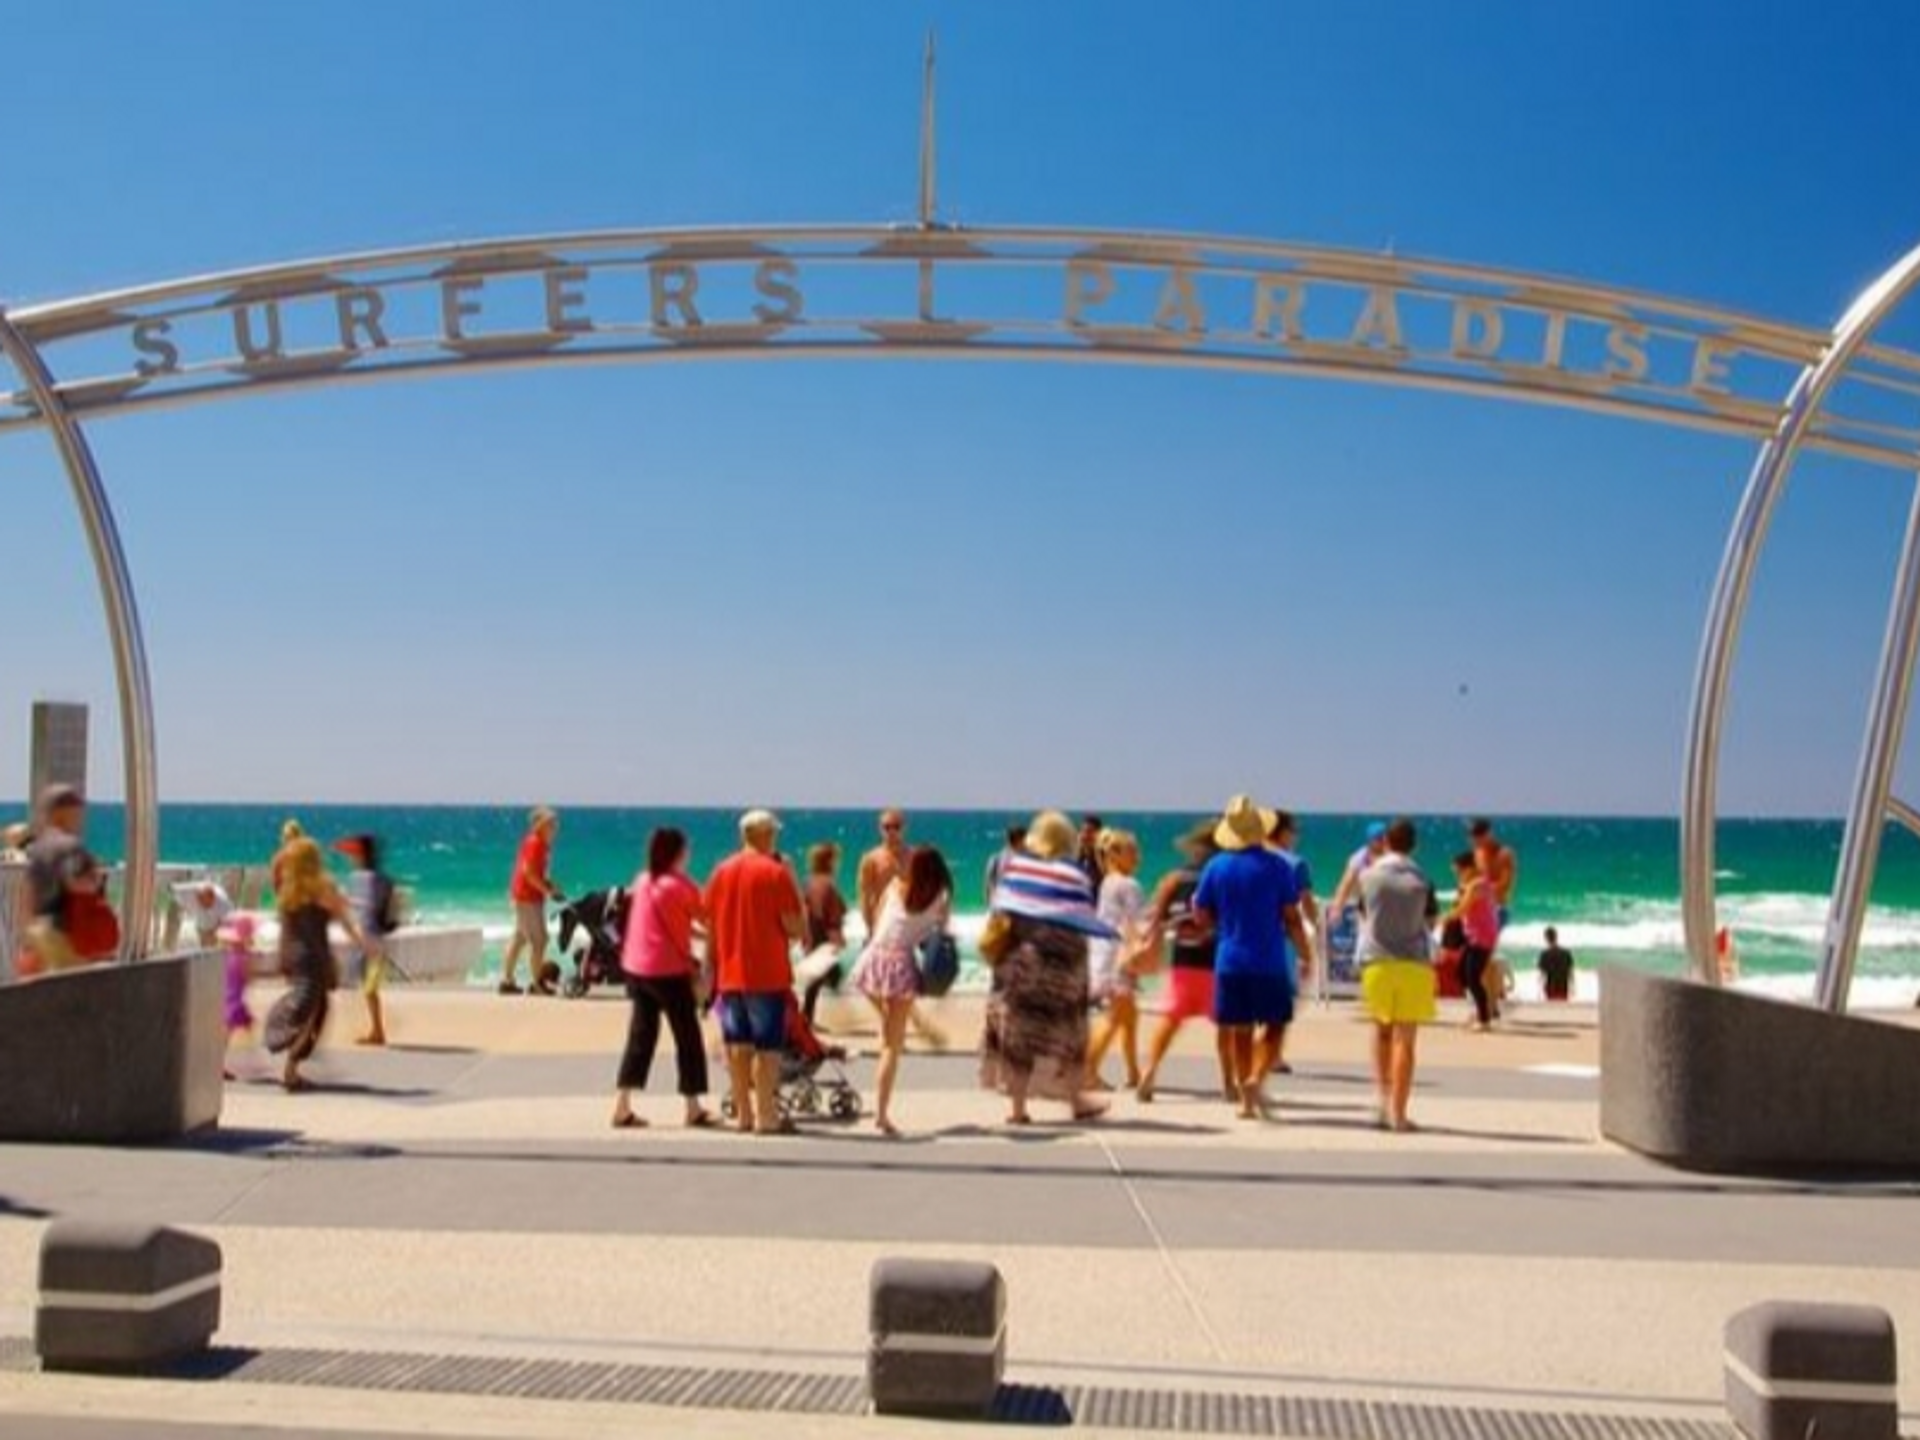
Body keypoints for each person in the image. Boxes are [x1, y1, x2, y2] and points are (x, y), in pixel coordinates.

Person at [979, 810, 1113, 1126]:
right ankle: (1077, 1100)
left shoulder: (1017, 870)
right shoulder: (1075, 875)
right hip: (1063, 966)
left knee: (1019, 1037)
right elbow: (1083, 915)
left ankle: (1018, 1109)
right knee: (1072, 1034)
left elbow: (1001, 911)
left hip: (1022, 962)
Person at [1194, 796, 1313, 1120]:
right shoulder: (1278, 866)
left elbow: (1201, 913)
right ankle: (1254, 1080)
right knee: (1276, 1026)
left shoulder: (1216, 866)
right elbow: (1291, 917)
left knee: (1240, 1030)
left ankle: (1246, 1101)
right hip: (1269, 960)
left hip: (1229, 959)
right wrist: (1305, 951)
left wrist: (1220, 922)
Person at [705, 808, 806, 1136]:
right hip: (766, 971)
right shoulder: (774, 872)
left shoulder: (721, 871)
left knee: (738, 1044)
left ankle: (744, 1114)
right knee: (768, 1047)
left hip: (730, 972)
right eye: (773, 833)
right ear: (765, 835)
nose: (775, 837)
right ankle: (766, 1115)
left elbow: (708, 919)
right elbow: (793, 925)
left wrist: (710, 965)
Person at [611, 826, 716, 1131]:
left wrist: (695, 932)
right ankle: (693, 1107)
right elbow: (704, 917)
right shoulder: (681, 885)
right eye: (686, 849)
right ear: (678, 853)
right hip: (668, 971)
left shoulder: (642, 881)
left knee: (641, 1038)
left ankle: (622, 1104)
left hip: (636, 968)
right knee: (688, 1038)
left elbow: (668, 922)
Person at [852, 845, 954, 1136]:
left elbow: (876, 920)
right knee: (891, 1048)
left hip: (872, 959)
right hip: (900, 967)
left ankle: (895, 1025)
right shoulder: (940, 897)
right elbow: (940, 935)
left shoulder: (895, 885)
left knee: (886, 1035)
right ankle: (881, 1116)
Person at [1136, 821, 1234, 1104]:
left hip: (1183, 962)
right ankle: (1229, 1083)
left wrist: (1154, 941)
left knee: (1171, 1021)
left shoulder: (1174, 879)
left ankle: (1149, 1073)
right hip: (1216, 962)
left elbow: (1155, 917)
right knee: (1226, 1026)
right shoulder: (1221, 876)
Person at [1356, 818, 1440, 1133]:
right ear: (1414, 845)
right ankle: (1399, 1114)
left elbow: (1364, 913)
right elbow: (1431, 921)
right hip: (1413, 963)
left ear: (1386, 842)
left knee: (1381, 1032)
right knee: (1406, 1039)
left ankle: (1381, 1099)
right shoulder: (1423, 879)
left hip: (1377, 962)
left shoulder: (1368, 876)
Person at [263, 836, 365, 1092]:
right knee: (311, 1011)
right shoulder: (323, 888)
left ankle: (291, 1070)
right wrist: (362, 943)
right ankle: (288, 1046)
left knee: (313, 1006)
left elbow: (287, 926)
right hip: (314, 957)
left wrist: (282, 959)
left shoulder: (288, 889)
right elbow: (344, 919)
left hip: (293, 955)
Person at [19, 784, 115, 975]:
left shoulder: (37, 847)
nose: (80, 819)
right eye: (77, 813)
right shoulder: (71, 846)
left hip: (40, 930)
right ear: (64, 813)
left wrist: (26, 931)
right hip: (65, 933)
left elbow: (27, 892)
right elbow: (76, 883)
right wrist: (95, 879)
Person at [1084, 828, 1150, 1090]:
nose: (1138, 857)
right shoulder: (1129, 884)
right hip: (1119, 960)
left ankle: (1134, 1072)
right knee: (1115, 1017)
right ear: (1114, 854)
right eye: (1132, 851)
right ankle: (1088, 1070)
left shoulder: (1107, 883)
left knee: (1129, 1016)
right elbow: (1136, 924)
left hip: (1102, 957)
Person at [1266, 810, 1320, 1073]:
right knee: (1282, 998)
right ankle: (1272, 1055)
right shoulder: (1295, 863)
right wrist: (1316, 925)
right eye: (1294, 831)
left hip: (1248, 935)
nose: (1296, 837)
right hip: (1283, 937)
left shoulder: (1249, 858)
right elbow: (1306, 904)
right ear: (1283, 832)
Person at [337, 834, 400, 1046]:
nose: (350, 858)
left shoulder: (359, 878)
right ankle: (377, 1029)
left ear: (361, 855)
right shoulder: (381, 878)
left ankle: (378, 1031)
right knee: (368, 988)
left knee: (369, 988)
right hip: (377, 939)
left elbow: (359, 910)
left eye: (353, 854)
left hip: (368, 940)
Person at [501, 806, 562, 995]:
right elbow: (528, 873)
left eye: (555, 823)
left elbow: (536, 872)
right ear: (540, 825)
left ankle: (507, 980)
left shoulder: (541, 845)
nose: (555, 827)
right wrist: (547, 891)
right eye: (551, 823)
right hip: (527, 897)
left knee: (520, 937)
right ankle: (537, 984)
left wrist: (550, 885)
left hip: (527, 895)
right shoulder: (535, 843)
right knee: (540, 939)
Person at [797, 841, 850, 1026]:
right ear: (830, 861)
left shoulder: (808, 882)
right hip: (823, 938)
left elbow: (804, 910)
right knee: (826, 978)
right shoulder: (828, 886)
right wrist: (838, 939)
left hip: (811, 936)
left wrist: (804, 935)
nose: (838, 863)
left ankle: (807, 1016)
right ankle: (808, 1018)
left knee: (820, 979)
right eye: (836, 859)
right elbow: (831, 916)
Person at [1449, 850, 1501, 1031]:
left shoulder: (1477, 885)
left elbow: (1461, 909)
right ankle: (1479, 1011)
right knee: (1462, 975)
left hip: (1482, 937)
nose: (1457, 874)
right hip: (1474, 935)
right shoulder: (1472, 883)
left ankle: (1484, 1019)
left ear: (1469, 868)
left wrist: (1439, 920)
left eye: (1458, 871)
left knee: (1472, 978)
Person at [856, 809, 911, 937]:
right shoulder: (871, 859)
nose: (891, 831)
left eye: (896, 827)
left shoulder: (914, 857)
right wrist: (870, 928)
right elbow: (864, 898)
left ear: (904, 828)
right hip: (881, 925)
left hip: (907, 926)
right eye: (887, 827)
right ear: (880, 829)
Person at [220, 912, 259, 1080]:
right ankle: (219, 1065)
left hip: (226, 998)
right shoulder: (244, 957)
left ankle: (254, 1060)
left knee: (227, 1033)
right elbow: (249, 977)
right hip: (235, 1000)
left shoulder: (228, 956)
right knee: (226, 1035)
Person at [174, 879, 234, 951]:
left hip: (216, 924)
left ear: (213, 898)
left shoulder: (224, 904)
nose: (201, 902)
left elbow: (225, 923)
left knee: (214, 945)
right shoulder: (187, 894)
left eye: (204, 901)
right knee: (205, 946)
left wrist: (213, 933)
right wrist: (186, 909)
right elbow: (174, 891)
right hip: (201, 923)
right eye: (200, 899)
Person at [983, 824, 1027, 903]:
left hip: (1002, 907)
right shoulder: (1026, 861)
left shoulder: (994, 859)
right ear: (1019, 840)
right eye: (1025, 839)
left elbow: (988, 890)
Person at [1537, 925, 1575, 1001]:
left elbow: (1542, 975)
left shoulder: (1544, 954)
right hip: (1563, 986)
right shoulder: (1566, 953)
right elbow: (1570, 972)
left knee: (1552, 1009)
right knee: (1562, 1008)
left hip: (1550, 987)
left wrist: (1539, 991)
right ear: (1556, 936)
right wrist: (1572, 987)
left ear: (1546, 938)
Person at [1076, 814, 1106, 892]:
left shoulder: (1104, 861)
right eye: (1081, 831)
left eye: (1089, 832)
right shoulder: (1075, 858)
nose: (1084, 835)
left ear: (1099, 835)